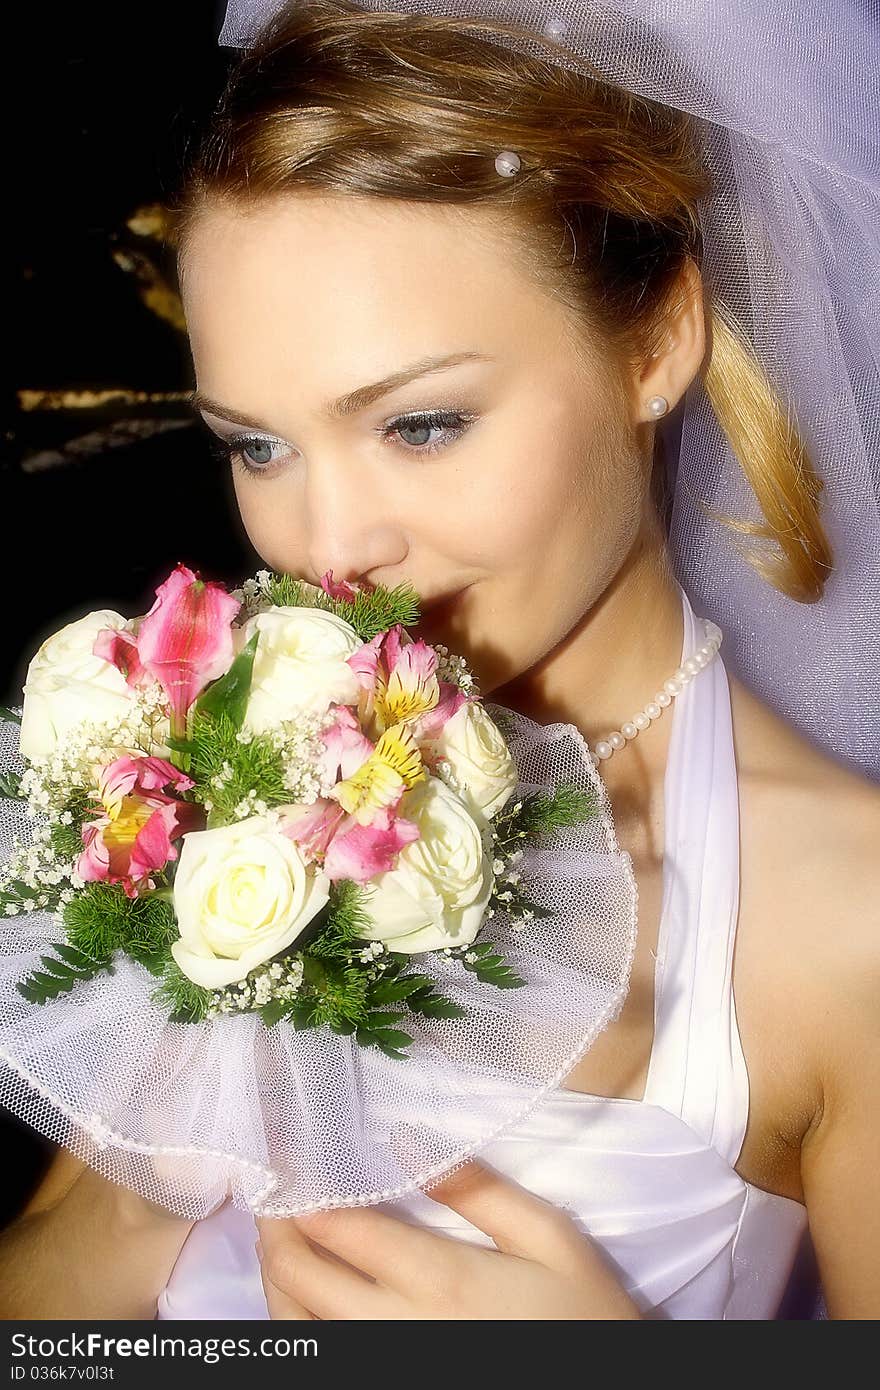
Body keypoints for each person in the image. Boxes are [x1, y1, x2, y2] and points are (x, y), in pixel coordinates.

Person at [1, 0, 877, 1320]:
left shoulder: (845, 925)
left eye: (420, 423)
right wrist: (139, 1197)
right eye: (258, 445)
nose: (330, 547)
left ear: (657, 341)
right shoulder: (245, 796)